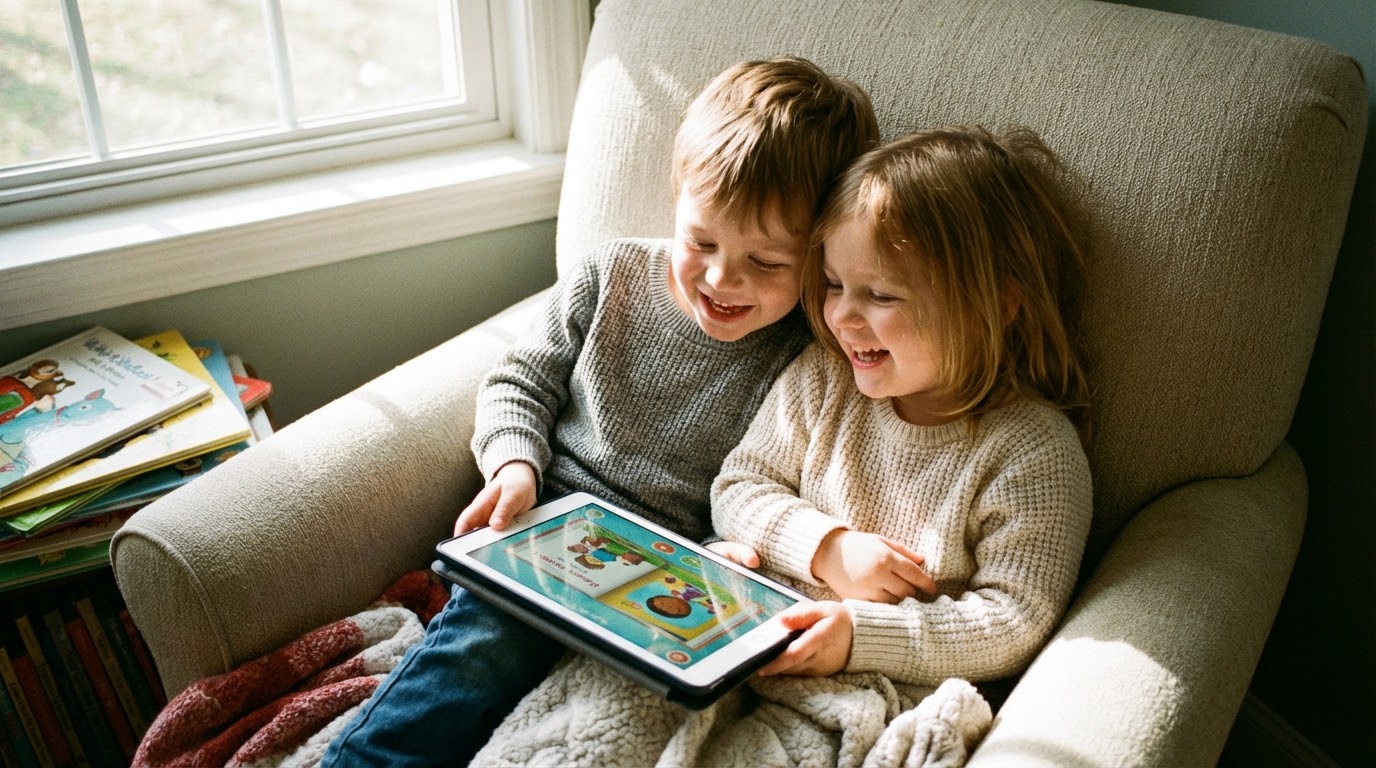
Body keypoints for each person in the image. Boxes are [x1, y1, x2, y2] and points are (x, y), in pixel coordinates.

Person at [466, 124, 1096, 767]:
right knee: (575, 740)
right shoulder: (825, 379)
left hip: (856, 682)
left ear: (998, 303)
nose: (840, 317)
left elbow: (1014, 619)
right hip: (727, 634)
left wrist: (858, 636)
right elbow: (739, 487)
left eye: (879, 295)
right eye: (831, 284)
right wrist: (826, 549)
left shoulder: (1031, 452)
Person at [322, 55, 880, 768]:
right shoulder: (611, 273)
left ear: (820, 255)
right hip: (553, 532)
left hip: (676, 573)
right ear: (676, 199)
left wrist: (736, 554)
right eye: (701, 241)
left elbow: (778, 483)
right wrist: (514, 466)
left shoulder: (807, 352)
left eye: (766, 263)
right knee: (478, 655)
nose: (720, 278)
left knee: (629, 716)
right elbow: (519, 381)